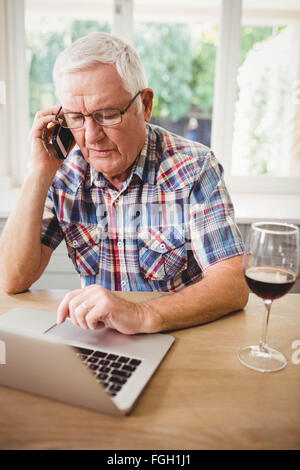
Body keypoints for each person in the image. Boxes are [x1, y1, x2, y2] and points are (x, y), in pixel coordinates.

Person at [0, 32, 249, 334]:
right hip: (100, 341)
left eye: (107, 115)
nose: (91, 136)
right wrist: (39, 171)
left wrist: (141, 315)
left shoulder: (194, 167)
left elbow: (233, 284)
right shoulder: (63, 172)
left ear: (145, 105)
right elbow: (11, 279)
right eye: (76, 117)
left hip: (180, 336)